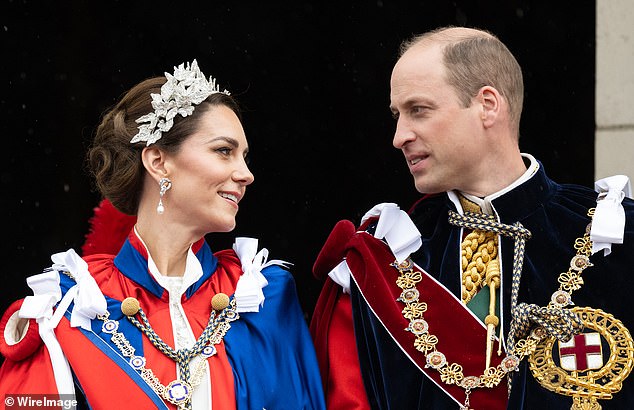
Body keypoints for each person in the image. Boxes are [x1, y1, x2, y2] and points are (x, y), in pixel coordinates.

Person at [310, 26, 634, 409]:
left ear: (487, 105)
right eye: (398, 115)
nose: (399, 136)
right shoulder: (378, 262)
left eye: (418, 110)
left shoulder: (617, 236)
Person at [0, 60, 326, 410]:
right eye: (224, 151)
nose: (245, 174)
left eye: (244, 156)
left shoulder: (263, 296)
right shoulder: (69, 307)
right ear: (158, 161)